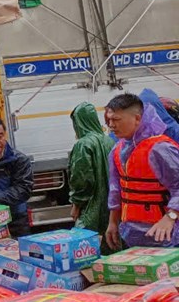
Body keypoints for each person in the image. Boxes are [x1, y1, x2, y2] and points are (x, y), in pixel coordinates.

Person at [105, 93, 179, 249]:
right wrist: (112, 222)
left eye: (116, 120)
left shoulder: (160, 149)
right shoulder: (117, 151)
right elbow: (115, 190)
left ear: (137, 118)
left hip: (167, 235)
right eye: (109, 120)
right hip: (131, 235)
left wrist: (170, 217)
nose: (111, 125)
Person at [68, 102, 114, 238]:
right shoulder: (109, 141)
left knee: (88, 247)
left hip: (92, 207)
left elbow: (82, 180)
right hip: (112, 206)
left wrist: (76, 204)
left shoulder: (83, 144)